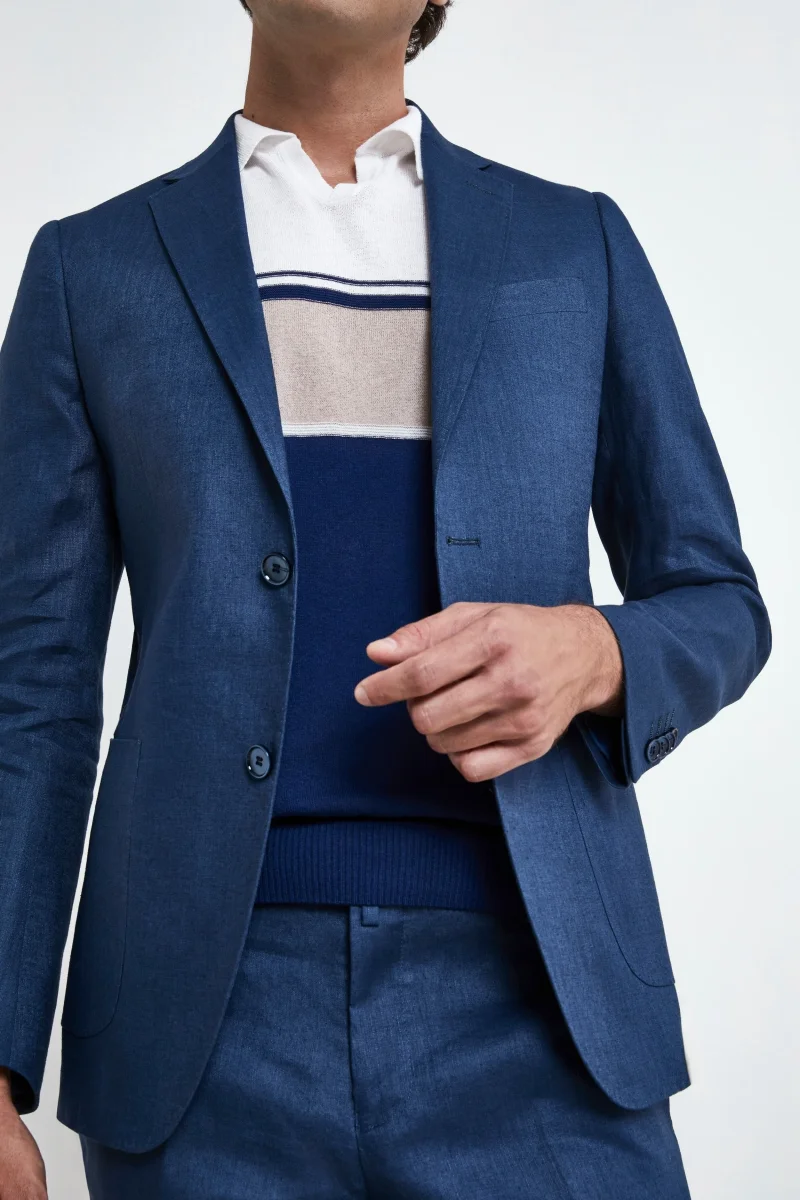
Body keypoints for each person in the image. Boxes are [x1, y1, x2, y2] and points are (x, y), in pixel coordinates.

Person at [0, 1, 771, 1196]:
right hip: (201, 1043)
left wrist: (594, 650)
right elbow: (31, 692)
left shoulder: (574, 246)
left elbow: (717, 598)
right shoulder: (90, 268)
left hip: (544, 1015)